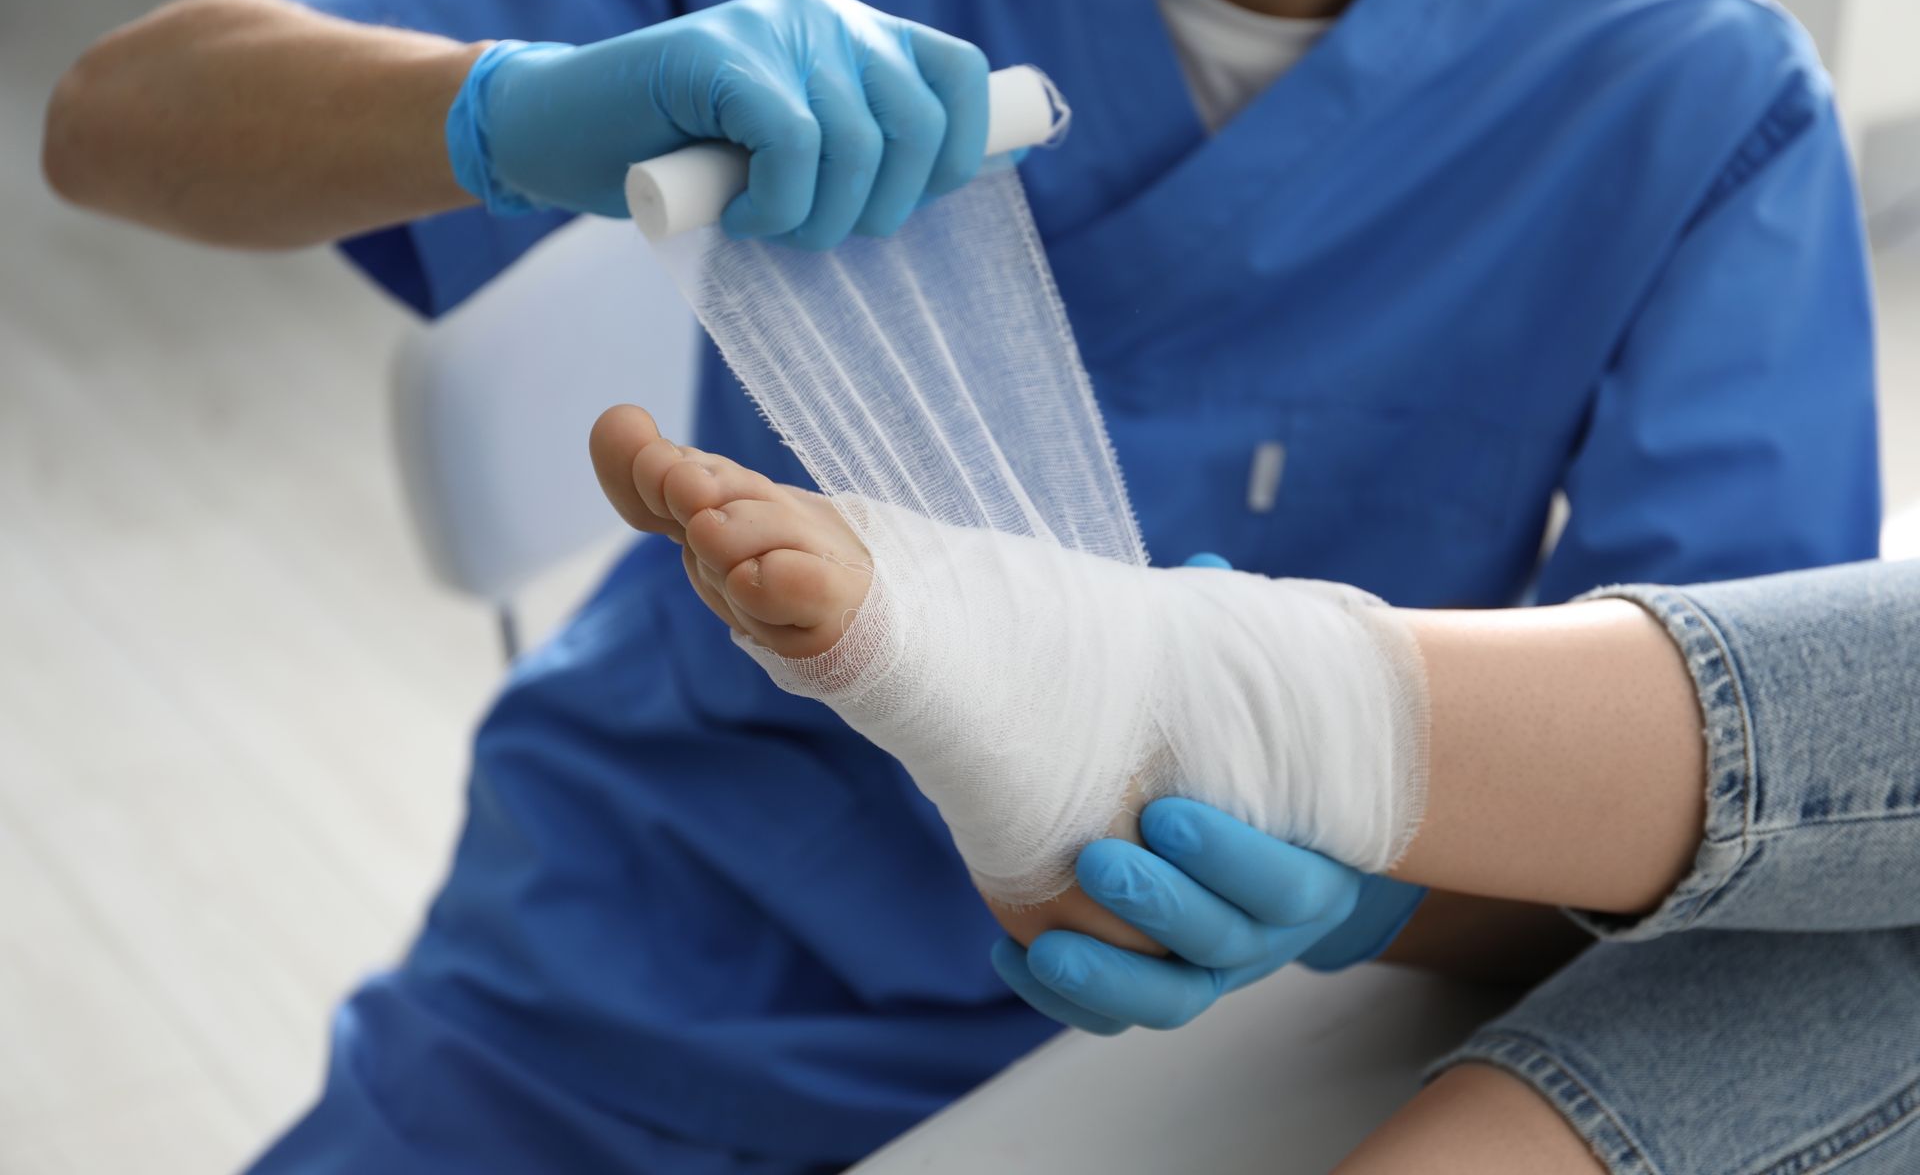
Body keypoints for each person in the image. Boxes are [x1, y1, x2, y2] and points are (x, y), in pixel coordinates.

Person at [40, 0, 1881, 1170]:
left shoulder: (1692, 102)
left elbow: (1735, 830)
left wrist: (1385, 886)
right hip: (642, 940)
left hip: (1205, 1046)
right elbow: (120, 122)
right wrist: (516, 113)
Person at [588, 401, 1920, 1173]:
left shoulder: (1697, 96)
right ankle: (1248, 707)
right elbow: (1825, 851)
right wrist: (1377, 895)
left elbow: (1805, 828)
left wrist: (1356, 871)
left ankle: (1240, 703)